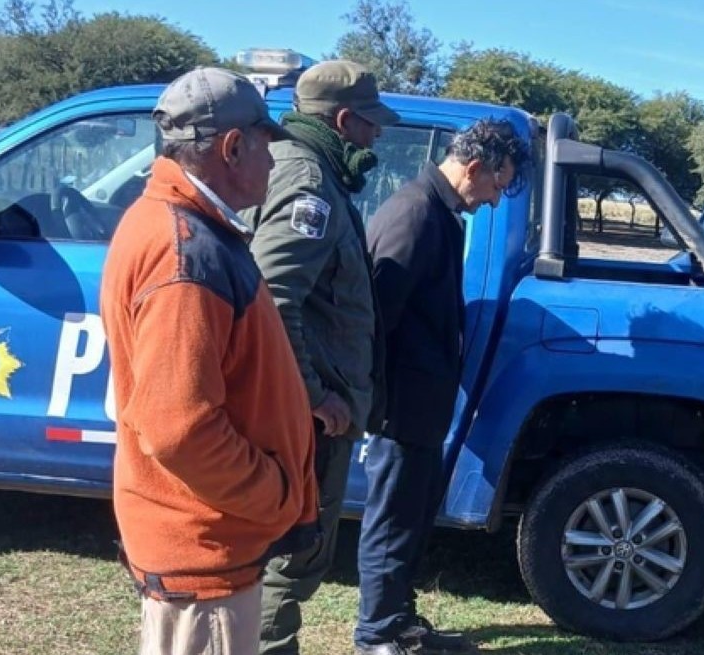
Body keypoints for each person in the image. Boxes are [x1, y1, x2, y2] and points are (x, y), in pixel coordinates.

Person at [100, 67, 319, 655]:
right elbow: (178, 428)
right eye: (267, 145)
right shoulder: (185, 251)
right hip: (205, 557)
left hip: (207, 546)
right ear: (232, 147)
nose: (273, 161)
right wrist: (274, 495)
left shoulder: (184, 227)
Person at [353, 118, 528, 655]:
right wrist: (378, 405)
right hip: (401, 407)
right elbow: (373, 319)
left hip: (422, 404)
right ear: (474, 168)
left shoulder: (439, 212)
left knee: (410, 517)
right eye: (497, 185)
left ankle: (399, 622)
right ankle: (377, 634)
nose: (494, 200)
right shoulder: (414, 215)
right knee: (392, 520)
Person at [242, 60, 399, 655]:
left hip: (305, 409)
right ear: (342, 119)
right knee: (288, 559)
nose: (376, 135)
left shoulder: (304, 170)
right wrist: (314, 395)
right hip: (305, 419)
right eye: (370, 122)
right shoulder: (308, 182)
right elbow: (272, 298)